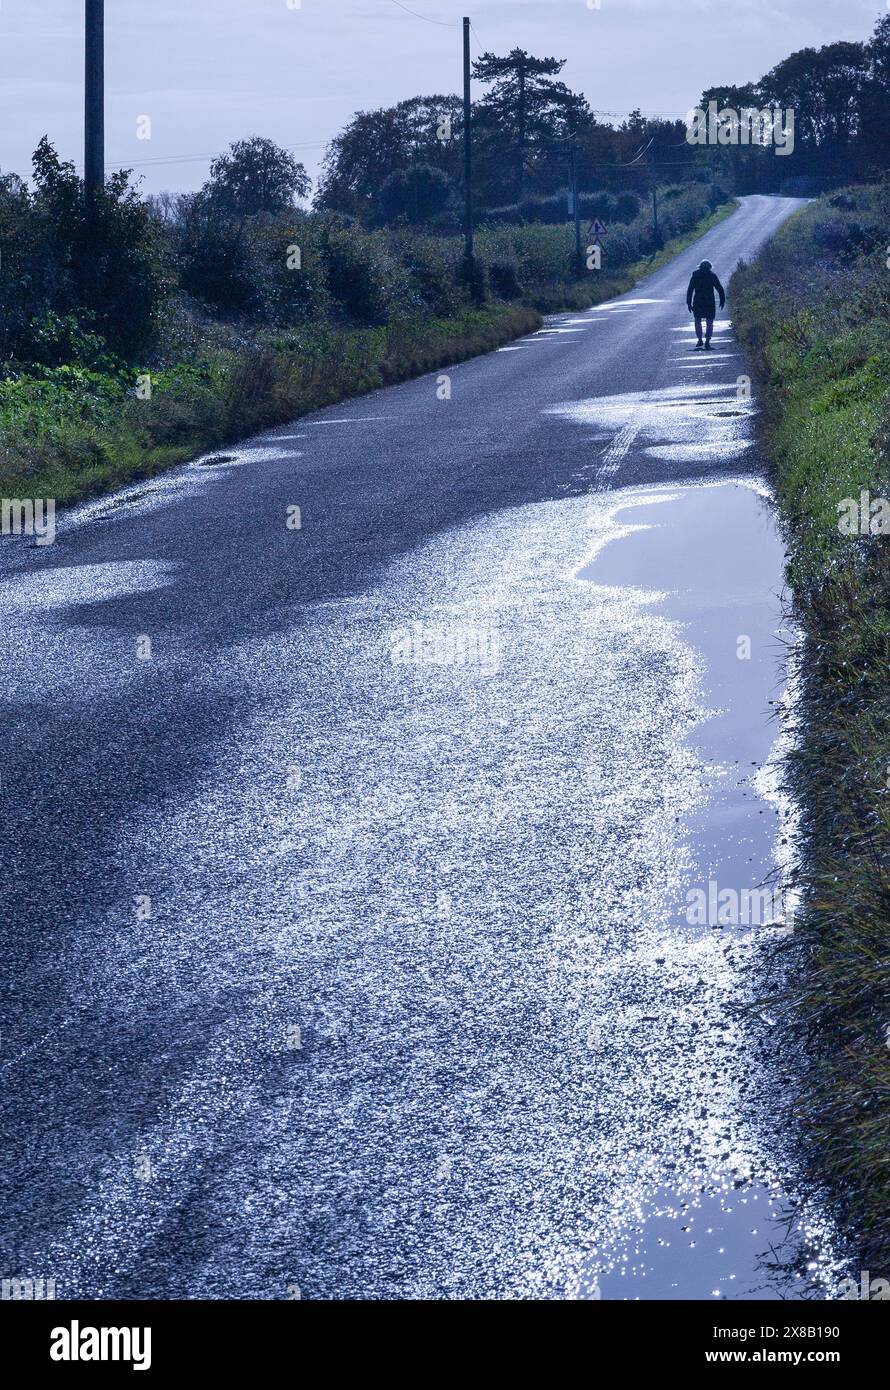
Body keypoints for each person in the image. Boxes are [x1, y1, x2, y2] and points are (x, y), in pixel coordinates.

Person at [686, 259, 725, 349]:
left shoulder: (696, 274)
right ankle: (707, 340)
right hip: (709, 302)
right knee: (709, 322)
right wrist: (722, 301)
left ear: (700, 267)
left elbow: (690, 290)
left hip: (698, 301)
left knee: (697, 321)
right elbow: (719, 288)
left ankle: (700, 339)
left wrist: (689, 303)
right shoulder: (712, 275)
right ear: (709, 267)